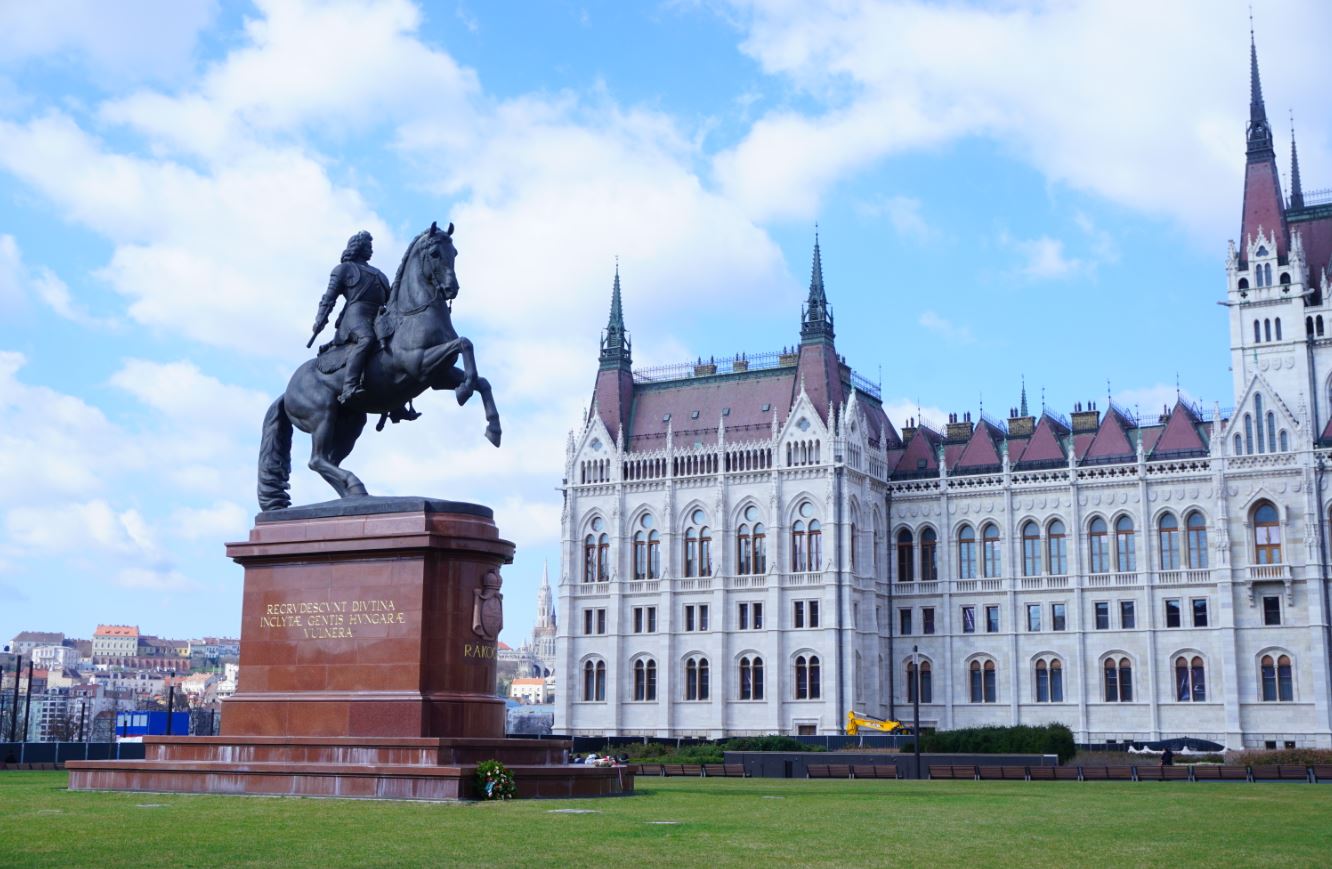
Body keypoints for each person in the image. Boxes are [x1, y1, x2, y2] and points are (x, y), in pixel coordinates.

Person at [311, 230, 392, 404]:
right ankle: (349, 386)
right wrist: (320, 319)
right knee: (367, 338)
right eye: (368, 246)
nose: (371, 249)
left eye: (371, 246)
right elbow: (328, 298)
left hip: (378, 316)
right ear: (358, 247)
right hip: (355, 317)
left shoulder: (379, 273)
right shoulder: (343, 269)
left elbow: (391, 300)